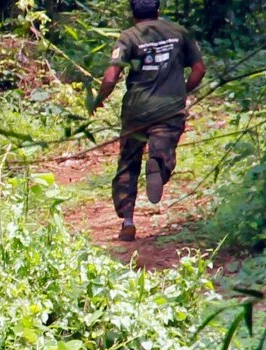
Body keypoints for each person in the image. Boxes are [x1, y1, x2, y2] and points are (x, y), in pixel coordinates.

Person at [90, 0, 205, 241]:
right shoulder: (178, 32)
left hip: (136, 110)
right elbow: (199, 70)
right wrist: (182, 91)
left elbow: (111, 78)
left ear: (133, 13)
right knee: (164, 144)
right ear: (158, 10)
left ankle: (128, 222)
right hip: (169, 108)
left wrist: (98, 100)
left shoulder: (128, 36)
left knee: (128, 162)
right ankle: (158, 163)